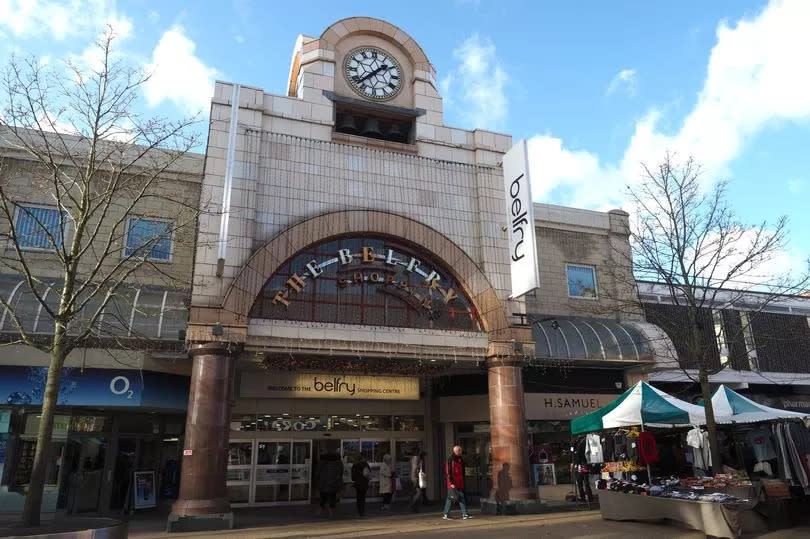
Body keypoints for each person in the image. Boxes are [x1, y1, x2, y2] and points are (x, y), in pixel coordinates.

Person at [443, 445, 471, 520]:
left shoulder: (459, 459)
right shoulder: (451, 459)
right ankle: (464, 514)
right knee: (458, 497)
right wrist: (452, 483)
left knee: (451, 498)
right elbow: (449, 472)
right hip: (454, 483)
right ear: (457, 451)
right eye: (460, 450)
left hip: (458, 482)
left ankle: (446, 514)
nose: (461, 452)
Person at [317, 446, 344, 517]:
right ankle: (331, 512)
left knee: (323, 497)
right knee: (332, 497)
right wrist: (340, 485)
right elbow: (340, 473)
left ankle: (322, 510)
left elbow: (318, 472)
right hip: (333, 484)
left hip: (324, 483)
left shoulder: (322, 462)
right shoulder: (338, 462)